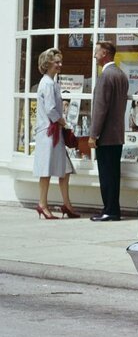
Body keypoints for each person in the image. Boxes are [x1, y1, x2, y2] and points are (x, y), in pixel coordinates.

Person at [32, 47, 80, 219]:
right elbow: (51, 109)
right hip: (49, 133)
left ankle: (67, 204)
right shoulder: (47, 84)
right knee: (46, 170)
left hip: (53, 133)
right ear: (47, 64)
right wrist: (65, 124)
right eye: (56, 62)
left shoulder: (51, 83)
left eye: (60, 62)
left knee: (65, 169)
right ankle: (42, 204)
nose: (60, 65)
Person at [88, 40, 129, 222]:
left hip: (105, 135)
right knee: (113, 175)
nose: (94, 56)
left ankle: (109, 211)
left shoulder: (105, 76)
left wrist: (93, 135)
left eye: (96, 52)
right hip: (117, 134)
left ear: (104, 53)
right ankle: (113, 209)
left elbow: (100, 109)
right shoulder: (121, 75)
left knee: (106, 175)